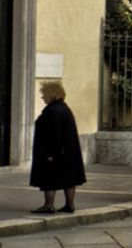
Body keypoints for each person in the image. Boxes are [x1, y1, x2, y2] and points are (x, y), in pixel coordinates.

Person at [30, 82, 86, 215]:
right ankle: (69, 204)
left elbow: (53, 134)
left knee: (48, 178)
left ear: (52, 95)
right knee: (70, 178)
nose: (42, 97)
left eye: (44, 94)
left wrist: (50, 153)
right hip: (68, 152)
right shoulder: (64, 109)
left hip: (54, 152)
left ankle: (48, 205)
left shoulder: (52, 111)